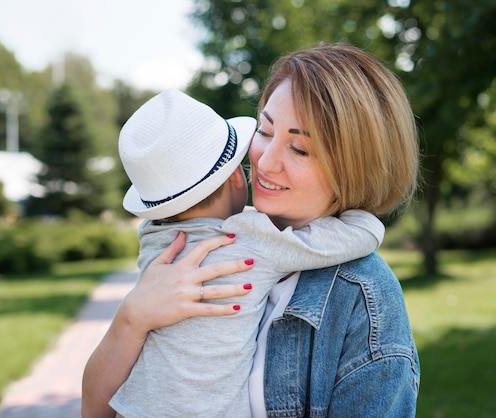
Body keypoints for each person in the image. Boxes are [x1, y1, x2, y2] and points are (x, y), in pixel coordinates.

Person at [83, 42, 421, 418]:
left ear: (355, 166)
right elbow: (95, 412)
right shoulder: (201, 252)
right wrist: (130, 319)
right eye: (264, 130)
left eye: (300, 149)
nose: (265, 162)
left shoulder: (363, 298)